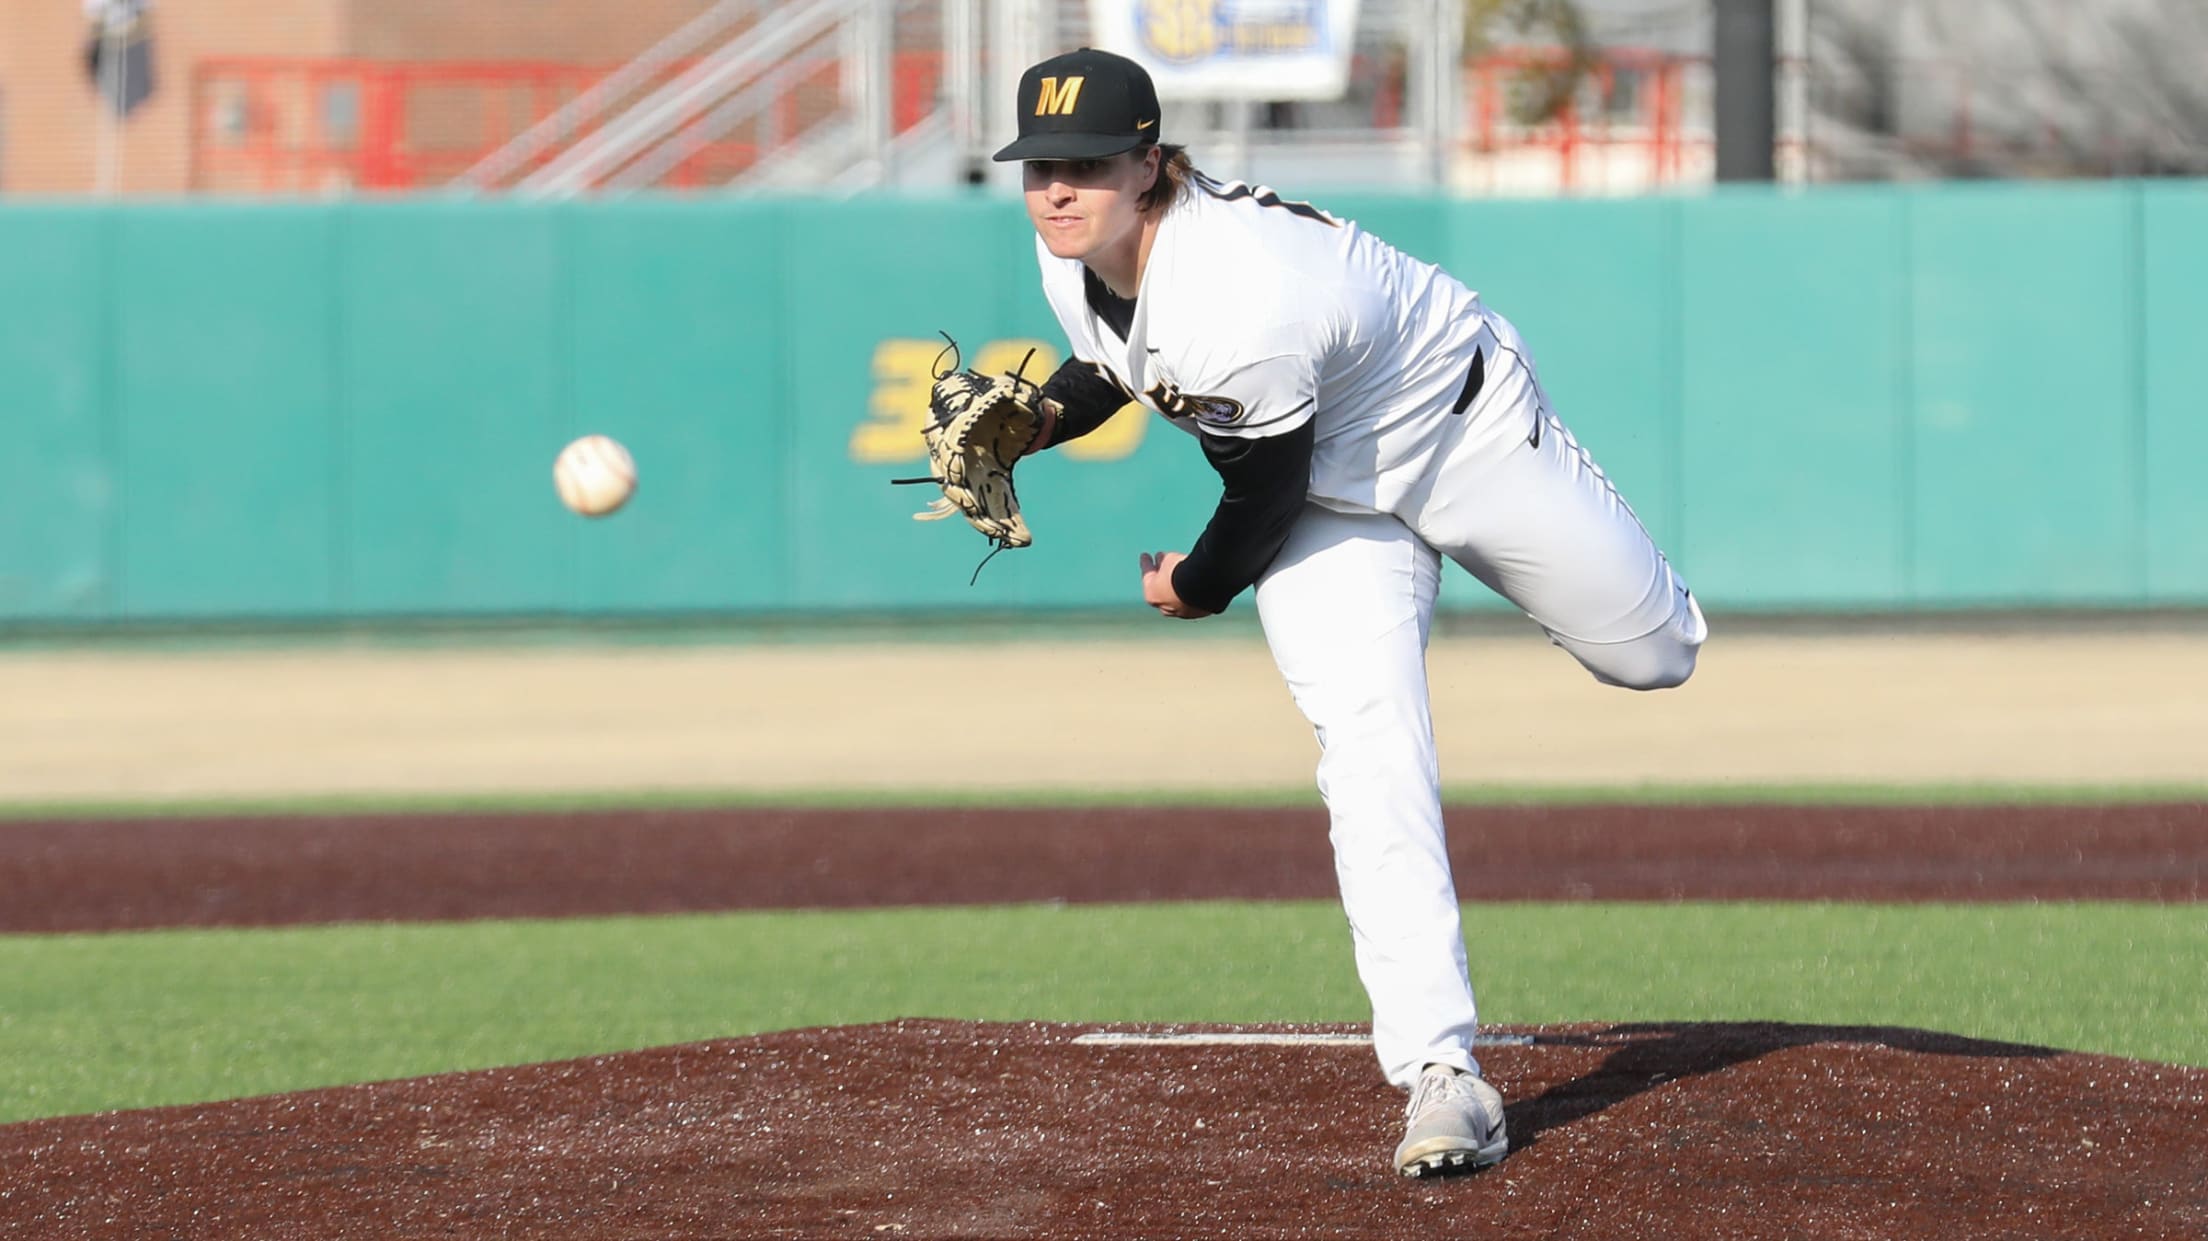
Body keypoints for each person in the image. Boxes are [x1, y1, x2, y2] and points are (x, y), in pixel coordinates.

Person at [993, 47, 1707, 1177]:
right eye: (1041, 167)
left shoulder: (1241, 291)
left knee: (1655, 654)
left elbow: (1258, 496)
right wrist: (1034, 419)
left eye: (1085, 165)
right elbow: (1121, 363)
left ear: (1149, 164)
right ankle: (1442, 1071)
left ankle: (1589, 573)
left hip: (1458, 431)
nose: (1058, 190)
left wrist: (1195, 585)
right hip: (1336, 505)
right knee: (1370, 748)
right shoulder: (1072, 253)